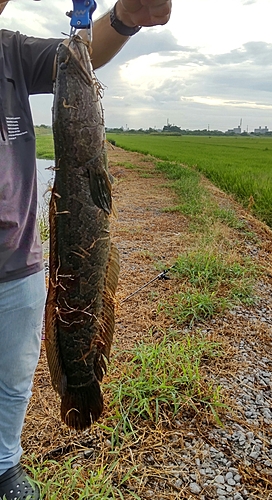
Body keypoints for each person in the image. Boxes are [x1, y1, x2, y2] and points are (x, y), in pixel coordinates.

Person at [0, 0, 172, 498]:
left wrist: (123, 19)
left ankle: (5, 464)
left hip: (20, 262)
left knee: (13, 379)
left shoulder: (10, 50)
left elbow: (77, 56)